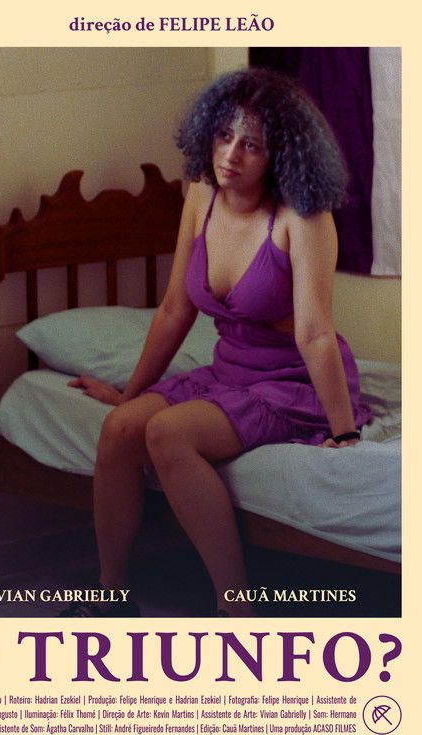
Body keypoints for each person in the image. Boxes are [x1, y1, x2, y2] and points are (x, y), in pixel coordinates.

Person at [62, 67, 371, 618]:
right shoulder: (201, 195)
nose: (231, 155)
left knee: (168, 434)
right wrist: (130, 393)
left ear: (281, 153)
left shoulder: (302, 217)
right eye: (224, 135)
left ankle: (237, 611)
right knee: (120, 428)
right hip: (229, 372)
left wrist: (344, 434)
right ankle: (111, 596)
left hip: (290, 382)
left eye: (252, 144)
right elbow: (174, 309)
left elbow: (315, 333)